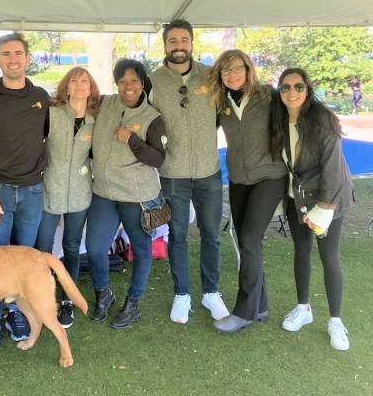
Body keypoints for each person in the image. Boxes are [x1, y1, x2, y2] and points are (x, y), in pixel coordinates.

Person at [0, 33, 50, 347]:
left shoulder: (41, 97)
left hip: (32, 192)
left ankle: (14, 309)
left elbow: (43, 137)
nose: (13, 59)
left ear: (27, 58)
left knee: (22, 262)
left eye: (18, 53)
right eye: (6, 54)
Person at [147, 19, 229, 324]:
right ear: (165, 45)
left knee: (211, 234)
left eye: (184, 40)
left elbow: (222, 118)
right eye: (172, 41)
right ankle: (182, 294)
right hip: (173, 173)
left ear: (191, 43)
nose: (178, 46)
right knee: (177, 234)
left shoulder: (211, 76)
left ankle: (211, 292)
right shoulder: (153, 80)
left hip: (209, 171)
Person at [203, 50, 287, 333]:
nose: (232, 75)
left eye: (237, 69)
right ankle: (260, 306)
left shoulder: (269, 96)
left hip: (270, 176)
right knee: (246, 239)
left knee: (250, 238)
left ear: (248, 69)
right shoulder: (220, 102)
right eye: (225, 71)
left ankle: (245, 311)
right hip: (239, 179)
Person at [270, 68, 354, 351]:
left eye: (298, 87)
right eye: (285, 88)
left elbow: (333, 165)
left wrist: (326, 206)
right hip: (298, 198)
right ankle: (303, 308)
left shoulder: (321, 119)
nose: (291, 93)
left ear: (307, 89)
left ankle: (335, 320)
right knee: (301, 251)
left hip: (327, 198)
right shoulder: (280, 118)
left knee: (329, 257)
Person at [86, 59, 166, 329]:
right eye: (122, 81)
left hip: (136, 195)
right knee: (96, 248)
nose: (128, 86)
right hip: (104, 192)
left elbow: (158, 159)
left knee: (141, 249)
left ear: (142, 83)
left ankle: (133, 304)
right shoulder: (107, 103)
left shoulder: (152, 118)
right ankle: (103, 294)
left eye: (133, 80)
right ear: (116, 84)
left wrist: (132, 140)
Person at [34, 67, 100, 328]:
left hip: (80, 194)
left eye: (85, 81)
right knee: (43, 249)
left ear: (91, 87)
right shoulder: (51, 113)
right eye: (74, 81)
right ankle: (42, 297)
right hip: (50, 189)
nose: (79, 85)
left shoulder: (98, 119)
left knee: (72, 247)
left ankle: (68, 301)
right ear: (67, 87)